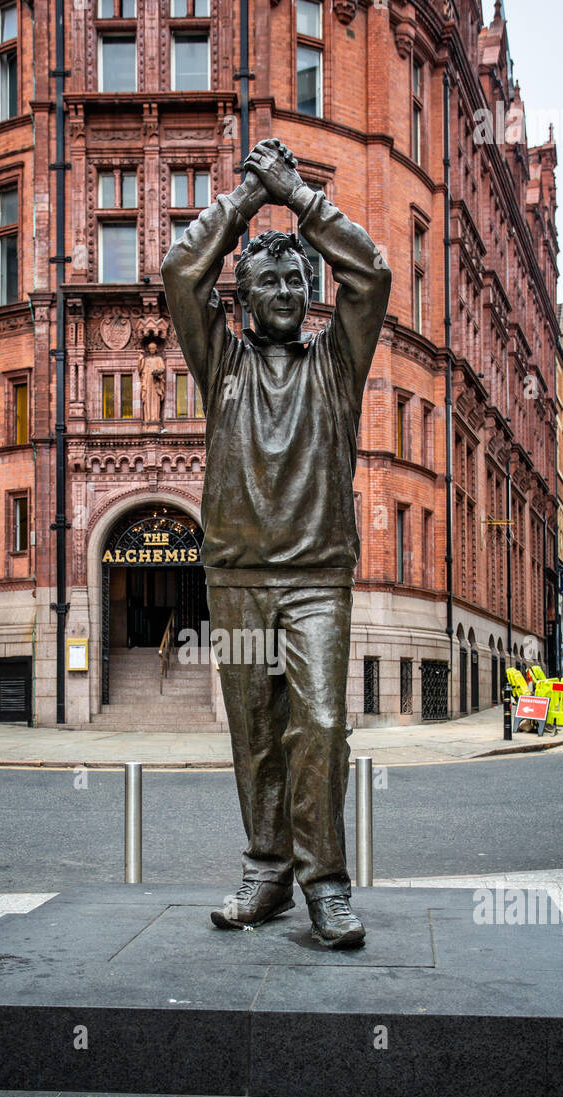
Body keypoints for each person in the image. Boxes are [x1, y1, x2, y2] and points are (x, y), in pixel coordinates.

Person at [161, 139, 391, 948]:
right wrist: (241, 199)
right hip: (236, 578)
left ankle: (324, 883)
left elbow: (372, 274)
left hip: (317, 579)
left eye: (297, 280)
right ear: (245, 298)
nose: (288, 291)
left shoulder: (338, 364)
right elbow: (180, 273)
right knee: (254, 731)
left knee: (320, 724)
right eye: (270, 282)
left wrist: (295, 195)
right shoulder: (219, 359)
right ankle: (267, 872)